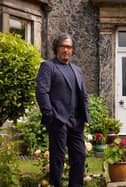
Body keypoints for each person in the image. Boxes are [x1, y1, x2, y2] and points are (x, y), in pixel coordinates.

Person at [36, 33, 91, 187]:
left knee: (79, 157)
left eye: (69, 47)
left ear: (72, 50)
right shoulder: (48, 66)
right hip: (58, 121)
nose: (66, 50)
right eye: (63, 46)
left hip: (76, 122)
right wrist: (49, 115)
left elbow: (83, 94)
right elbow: (42, 92)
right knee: (57, 159)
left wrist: (86, 115)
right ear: (56, 48)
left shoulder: (77, 69)